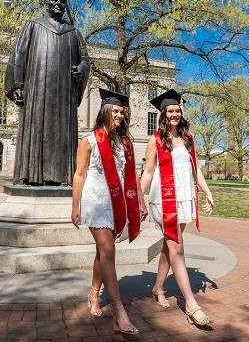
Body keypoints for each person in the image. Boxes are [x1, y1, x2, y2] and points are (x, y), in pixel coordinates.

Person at [71, 88, 148, 335]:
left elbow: (132, 175)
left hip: (115, 201)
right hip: (95, 200)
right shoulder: (90, 140)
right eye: (115, 111)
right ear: (105, 111)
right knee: (108, 250)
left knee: (102, 252)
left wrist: (141, 202)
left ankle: (93, 295)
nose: (119, 115)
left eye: (122, 112)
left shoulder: (124, 142)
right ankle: (119, 311)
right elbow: (79, 174)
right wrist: (75, 206)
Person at [139, 89, 215, 327]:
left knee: (169, 245)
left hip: (183, 197)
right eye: (170, 111)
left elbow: (196, 169)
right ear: (163, 114)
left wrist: (207, 191)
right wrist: (139, 198)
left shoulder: (189, 138)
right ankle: (192, 305)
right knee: (177, 247)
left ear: (181, 113)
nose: (174, 114)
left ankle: (158, 288)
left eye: (177, 111)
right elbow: (148, 172)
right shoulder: (155, 140)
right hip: (164, 198)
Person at [5, 0, 90, 186]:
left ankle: (62, 177)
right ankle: (31, 176)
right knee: (36, 129)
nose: (59, 2)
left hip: (65, 95)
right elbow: (18, 55)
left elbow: (85, 61)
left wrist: (81, 71)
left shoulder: (74, 33)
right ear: (47, 3)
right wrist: (17, 85)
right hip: (38, 92)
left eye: (63, 0)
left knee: (62, 133)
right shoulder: (33, 26)